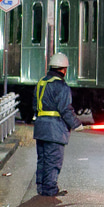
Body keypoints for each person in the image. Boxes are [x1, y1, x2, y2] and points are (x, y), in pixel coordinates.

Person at [34, 53, 82, 197]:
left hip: (40, 128)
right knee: (53, 160)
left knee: (42, 160)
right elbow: (65, 109)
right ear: (64, 69)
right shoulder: (61, 86)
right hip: (54, 130)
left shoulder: (41, 82)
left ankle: (41, 187)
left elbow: (35, 105)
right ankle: (50, 189)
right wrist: (76, 124)